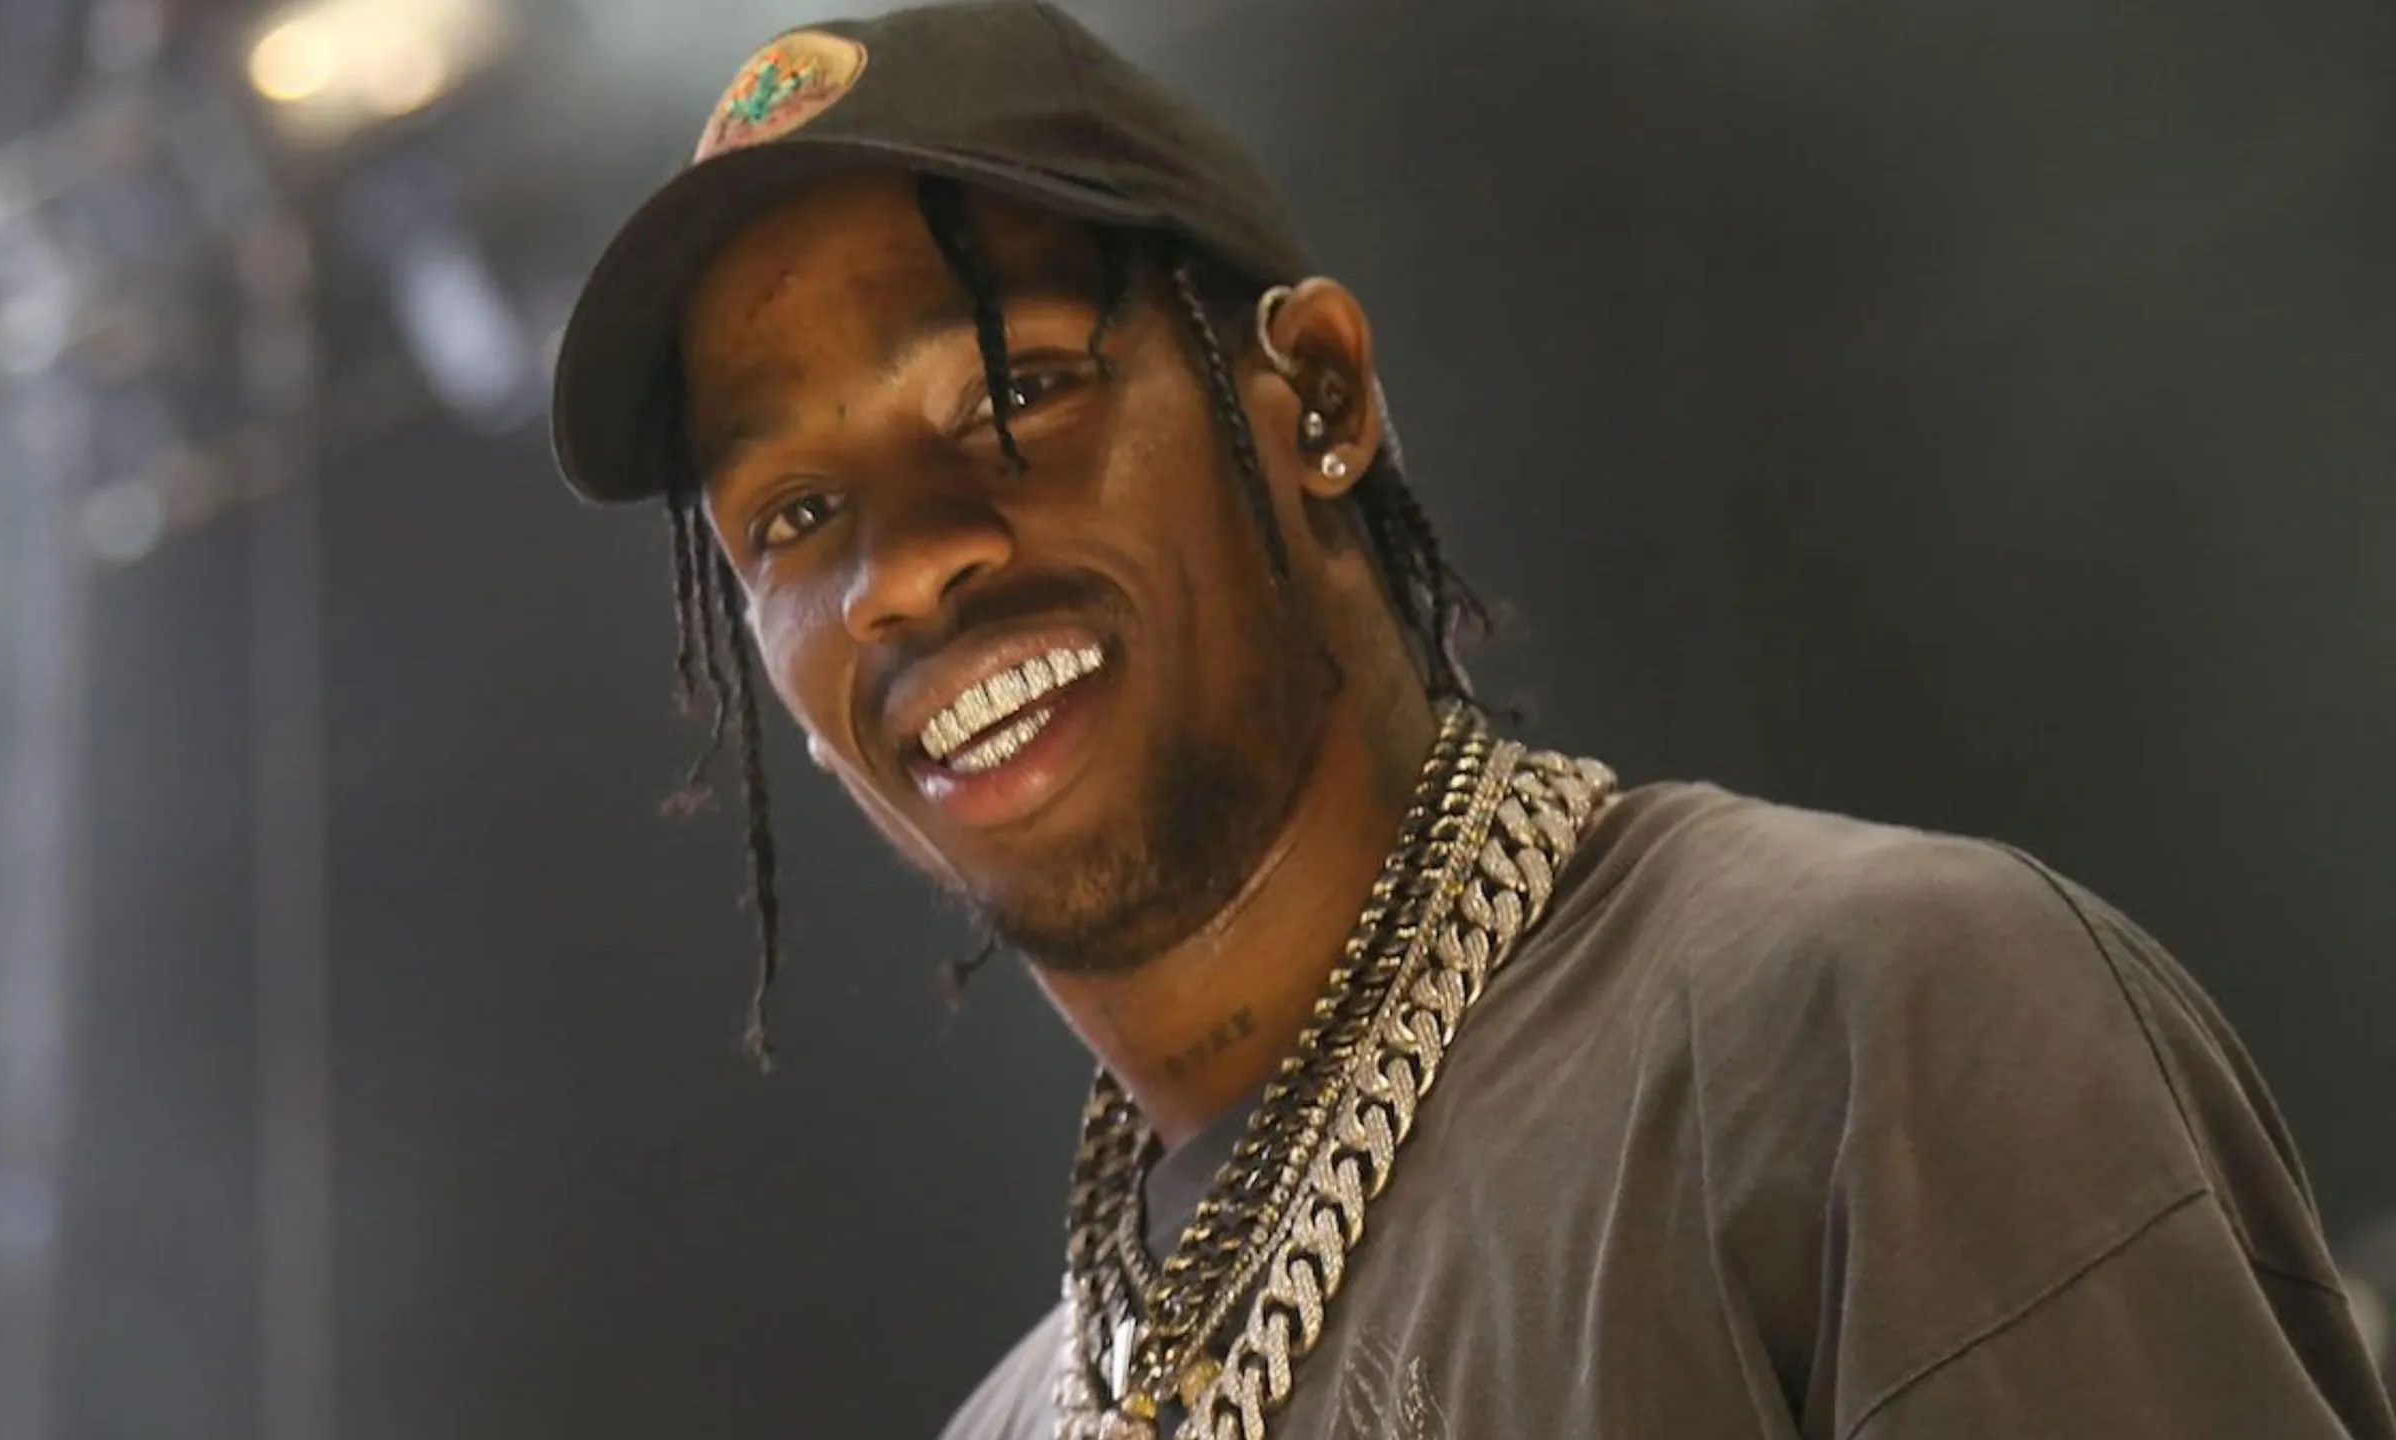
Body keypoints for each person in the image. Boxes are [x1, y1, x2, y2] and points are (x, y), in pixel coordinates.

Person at [547, 3, 2396, 1437]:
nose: (903, 569)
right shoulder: (1019, 1419)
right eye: (796, 514)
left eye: (1014, 392)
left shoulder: (1874, 1029)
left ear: (1320, 396)